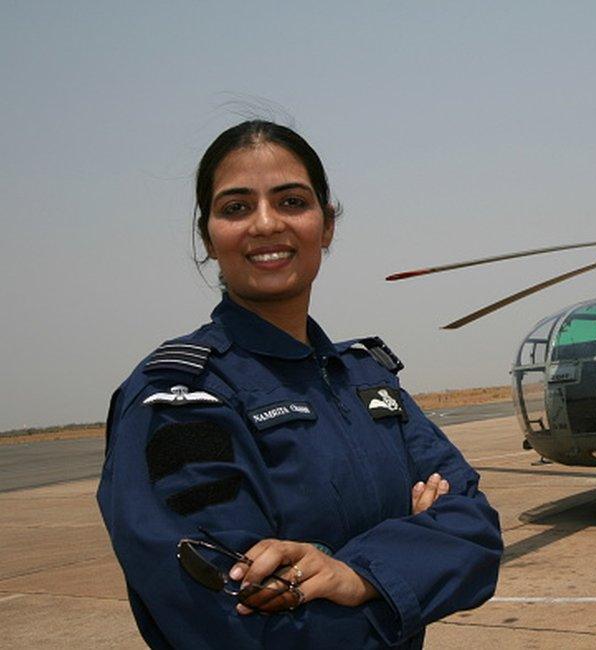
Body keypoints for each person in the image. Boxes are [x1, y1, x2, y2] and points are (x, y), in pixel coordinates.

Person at [97, 120, 503, 649]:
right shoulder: (180, 398)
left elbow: (475, 530)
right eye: (236, 207)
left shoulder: (365, 379)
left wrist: (356, 578)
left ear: (326, 224)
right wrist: (415, 557)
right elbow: (236, 623)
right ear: (208, 238)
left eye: (291, 201)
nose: (266, 224)